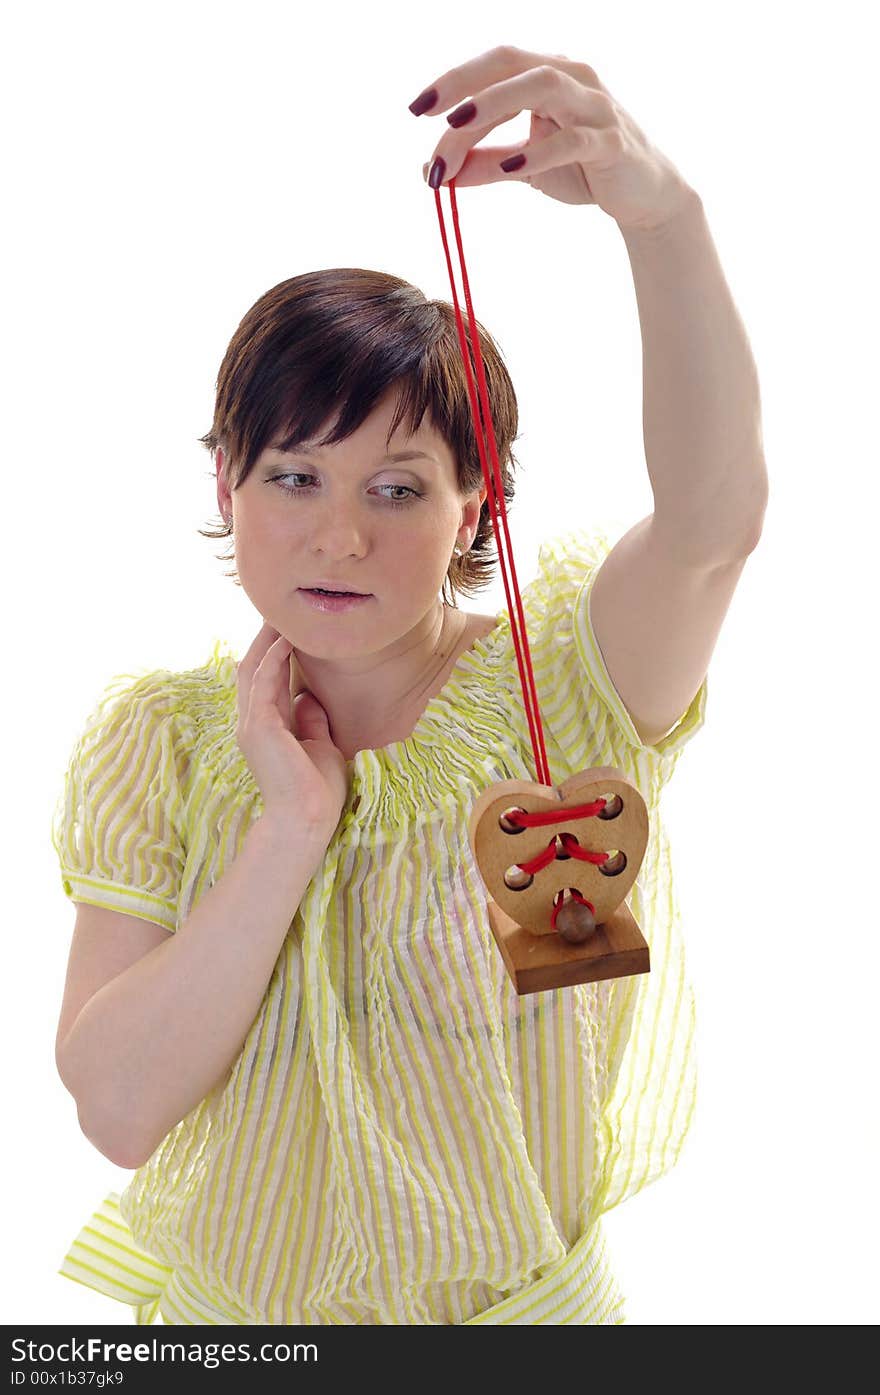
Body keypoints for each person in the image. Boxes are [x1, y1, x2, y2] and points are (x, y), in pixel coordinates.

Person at [51, 48, 767, 1326]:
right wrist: (287, 831)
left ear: (472, 502)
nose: (338, 538)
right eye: (292, 478)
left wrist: (662, 218)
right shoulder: (160, 740)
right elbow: (115, 1110)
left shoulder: (571, 693)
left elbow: (712, 523)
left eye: (395, 489)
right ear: (226, 484)